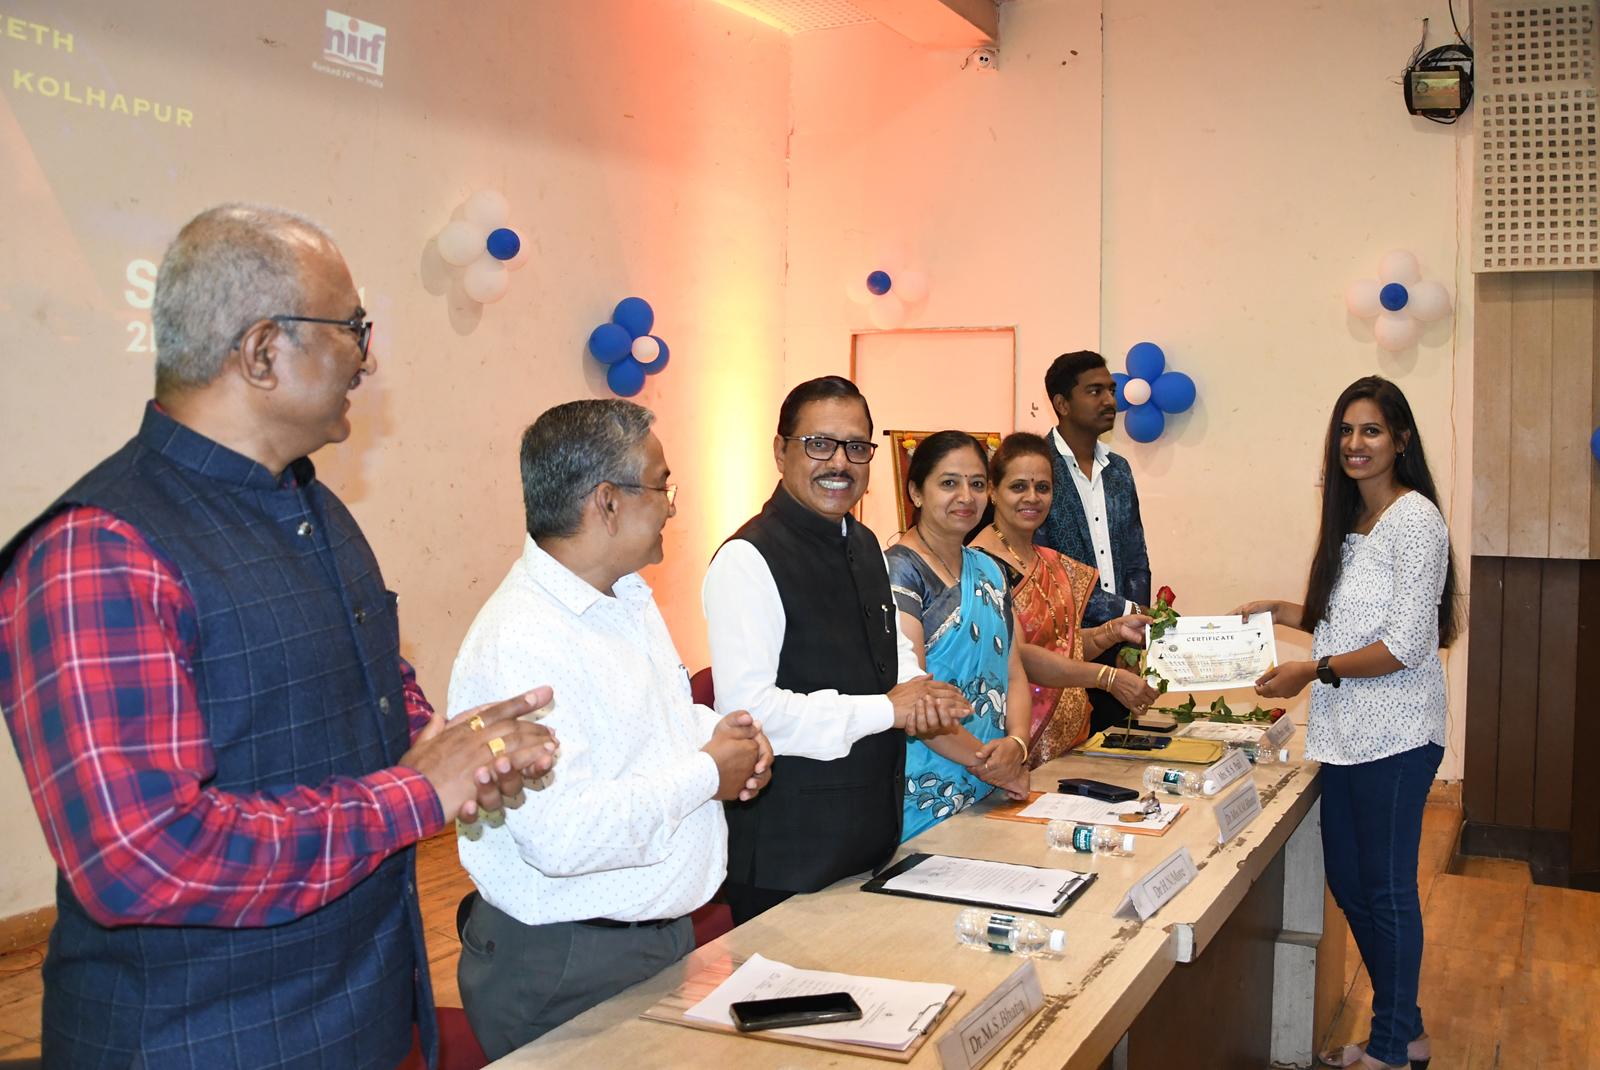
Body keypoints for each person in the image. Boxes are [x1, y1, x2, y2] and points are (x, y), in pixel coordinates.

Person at [0, 204, 558, 1070]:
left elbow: (358, 681)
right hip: (197, 1043)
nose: (369, 359)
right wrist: (418, 792)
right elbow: (142, 859)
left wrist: (452, 748)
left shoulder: (311, 504)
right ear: (263, 351)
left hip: (358, 1015)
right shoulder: (98, 551)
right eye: (352, 329)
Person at [447, 399, 771, 1057]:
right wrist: (708, 772)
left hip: (642, 940)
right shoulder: (523, 640)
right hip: (566, 963)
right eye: (661, 486)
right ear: (608, 502)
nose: (672, 508)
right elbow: (564, 836)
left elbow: (652, 722)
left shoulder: (623, 597)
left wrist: (728, 734)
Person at [1236, 376, 1453, 1070]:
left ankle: (1392, 1048)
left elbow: (1405, 645)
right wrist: (1282, 612)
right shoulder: (1356, 519)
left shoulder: (1415, 520)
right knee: (1353, 886)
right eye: (1346, 431)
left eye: (1372, 431)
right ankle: (1405, 1030)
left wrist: (1311, 669)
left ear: (1401, 440)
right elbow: (1349, 620)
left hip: (1398, 735)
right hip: (1348, 734)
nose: (1355, 444)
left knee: (1386, 890)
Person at [702, 375, 971, 924]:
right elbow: (751, 715)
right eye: (819, 444)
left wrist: (919, 689)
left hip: (868, 839)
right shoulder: (747, 559)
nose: (840, 463)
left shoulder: (864, 542)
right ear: (781, 451)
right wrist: (888, 709)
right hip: (789, 857)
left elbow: (887, 647)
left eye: (855, 447)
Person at [969, 433, 1156, 765]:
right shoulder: (978, 565)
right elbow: (1018, 655)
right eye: (1018, 487)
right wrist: (1107, 678)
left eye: (1042, 487)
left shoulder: (1050, 561)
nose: (1032, 497)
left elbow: (1062, 646)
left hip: (1069, 745)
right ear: (993, 491)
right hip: (1011, 746)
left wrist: (1112, 632)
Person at [886, 431, 1031, 840]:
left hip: (991, 783)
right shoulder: (898, 572)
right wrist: (993, 766)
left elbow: (1014, 672)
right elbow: (916, 699)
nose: (966, 496)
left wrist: (1017, 745)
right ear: (916, 492)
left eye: (977, 484)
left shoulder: (990, 569)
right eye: (949, 482)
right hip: (923, 790)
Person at [1036, 350, 1153, 735]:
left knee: (1113, 752)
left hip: (1120, 650)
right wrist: (1128, 613)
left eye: (1111, 390)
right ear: (1062, 403)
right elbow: (1046, 566)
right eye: (1095, 391)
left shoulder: (1118, 469)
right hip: (1058, 650)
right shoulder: (1038, 468)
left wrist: (1133, 637)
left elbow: (1136, 559)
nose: (1109, 400)